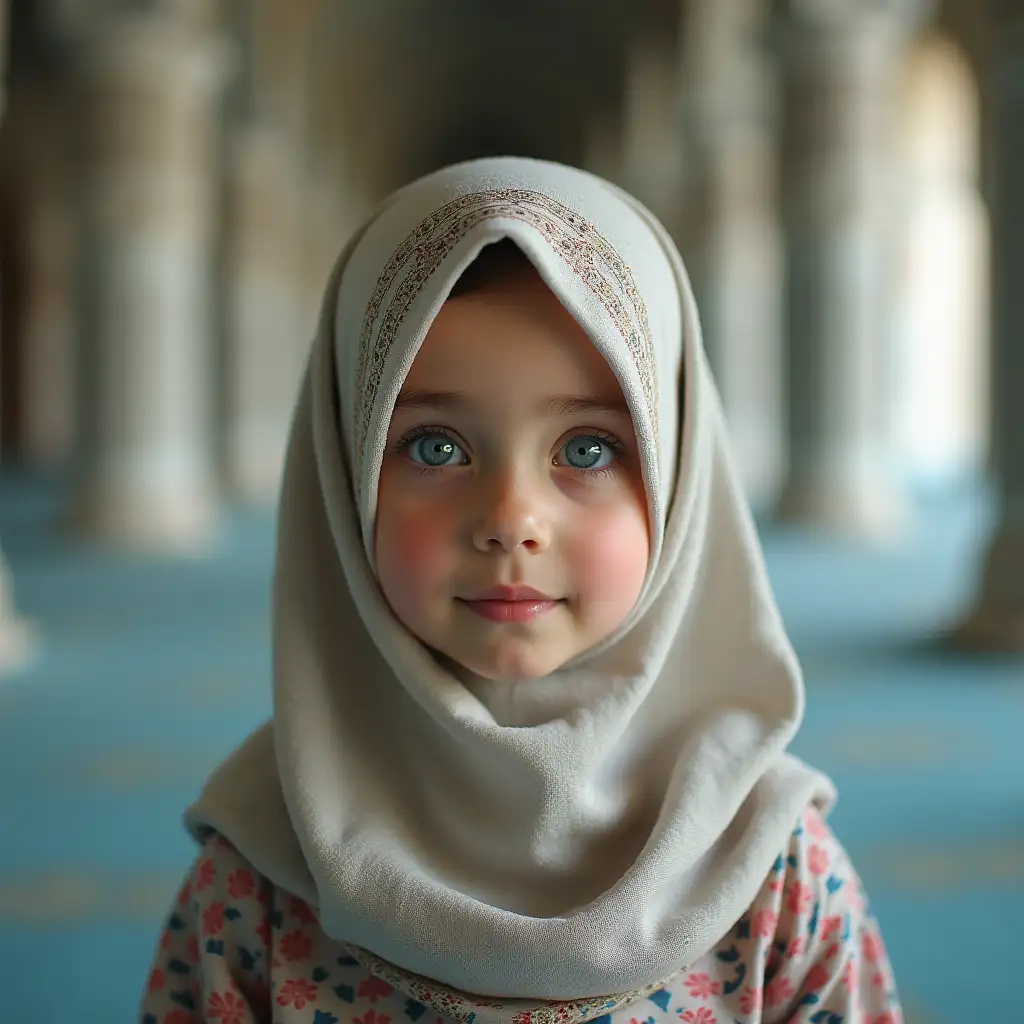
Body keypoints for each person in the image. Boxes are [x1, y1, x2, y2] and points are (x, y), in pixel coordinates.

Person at [139, 157, 901, 1024]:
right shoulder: (263, 873)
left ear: (679, 475)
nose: (511, 520)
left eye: (587, 449)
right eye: (434, 447)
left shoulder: (772, 870)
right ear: (343, 477)